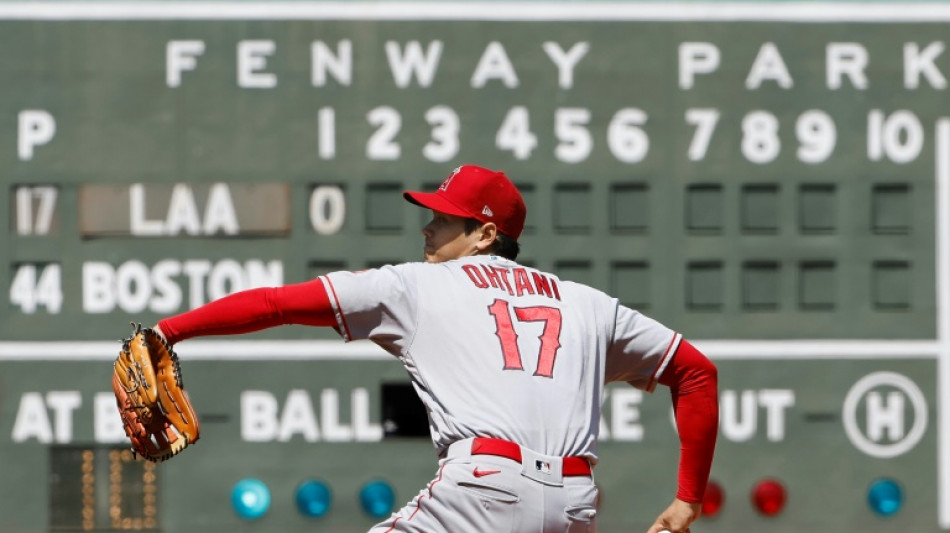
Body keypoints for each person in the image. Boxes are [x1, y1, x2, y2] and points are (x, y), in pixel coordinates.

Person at [152, 164, 719, 533]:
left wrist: (169, 332)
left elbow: (277, 303)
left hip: (483, 492)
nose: (427, 228)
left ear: (486, 235)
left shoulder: (415, 286)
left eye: (445, 220)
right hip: (574, 504)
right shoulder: (588, 304)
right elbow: (695, 373)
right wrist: (687, 499)